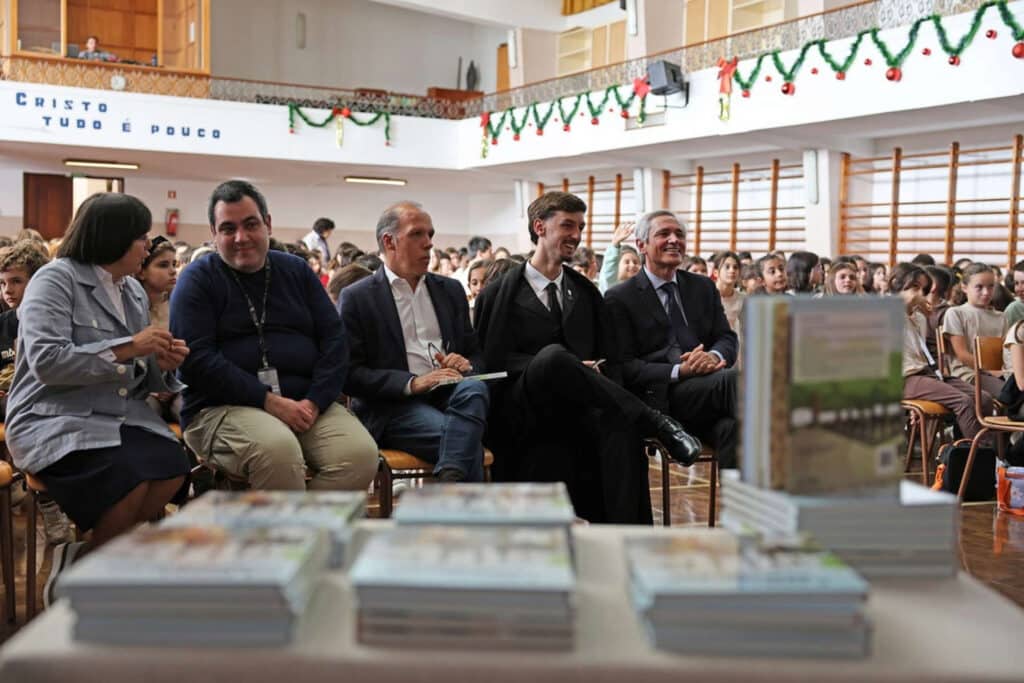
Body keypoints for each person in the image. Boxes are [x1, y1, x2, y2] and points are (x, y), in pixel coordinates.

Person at [6, 193, 191, 602]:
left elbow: (139, 378)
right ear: (113, 238)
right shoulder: (54, 280)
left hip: (116, 412)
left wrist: (164, 360)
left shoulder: (132, 292)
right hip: (52, 415)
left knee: (172, 467)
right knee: (126, 480)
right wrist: (129, 347)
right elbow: (46, 362)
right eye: (140, 238)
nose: (147, 246)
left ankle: (86, 560)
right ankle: (90, 581)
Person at [474, 192, 700, 524]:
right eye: (567, 225)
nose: (577, 235)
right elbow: (489, 363)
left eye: (581, 226)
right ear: (539, 226)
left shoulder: (585, 292)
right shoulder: (499, 294)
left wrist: (590, 371)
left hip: (579, 407)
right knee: (553, 358)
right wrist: (558, 365)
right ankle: (655, 422)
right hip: (523, 406)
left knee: (621, 429)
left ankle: (626, 541)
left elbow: (610, 358)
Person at [170, 180, 378, 491]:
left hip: (307, 403)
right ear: (214, 234)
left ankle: (298, 533)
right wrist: (267, 401)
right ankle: (287, 535)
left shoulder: (296, 271)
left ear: (268, 223)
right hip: (220, 406)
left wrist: (314, 401)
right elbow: (196, 361)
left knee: (359, 457)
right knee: (278, 453)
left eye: (251, 224)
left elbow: (335, 341)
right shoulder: (197, 280)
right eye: (228, 229)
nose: (241, 238)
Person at [339, 202, 490, 483]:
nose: (429, 244)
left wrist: (465, 363)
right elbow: (350, 375)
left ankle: (449, 486)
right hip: (394, 405)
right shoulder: (358, 297)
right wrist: (412, 383)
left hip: (450, 394)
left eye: (430, 234)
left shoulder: (450, 290)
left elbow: (476, 354)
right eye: (417, 234)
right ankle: (460, 499)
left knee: (475, 387)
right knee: (464, 441)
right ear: (389, 241)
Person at [605, 210, 739, 469]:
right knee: (735, 382)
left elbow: (726, 338)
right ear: (641, 245)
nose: (674, 240)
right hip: (661, 398)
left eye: (679, 234)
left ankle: (743, 507)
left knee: (734, 428)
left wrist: (713, 356)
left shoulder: (702, 287)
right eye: (663, 234)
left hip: (709, 392)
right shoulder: (620, 298)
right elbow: (623, 366)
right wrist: (680, 370)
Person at [0, 241, 76, 545]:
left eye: (17, 281)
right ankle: (48, 500)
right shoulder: (3, 324)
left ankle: (55, 494)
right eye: (3, 283)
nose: (8, 290)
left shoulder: (56, 319)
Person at [894, 263, 991, 445]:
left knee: (983, 399)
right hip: (904, 377)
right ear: (898, 285)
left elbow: (920, 353)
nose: (921, 293)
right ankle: (984, 458)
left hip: (927, 374)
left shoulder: (919, 317)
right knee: (963, 402)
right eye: (915, 287)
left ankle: (962, 453)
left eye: (924, 289)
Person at [943, 262, 1009, 397]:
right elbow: (962, 354)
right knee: (1010, 393)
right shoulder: (956, 313)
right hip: (969, 374)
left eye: (991, 287)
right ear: (964, 287)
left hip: (998, 373)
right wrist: (992, 371)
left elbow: (1006, 352)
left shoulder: (1001, 317)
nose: (986, 292)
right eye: (979, 287)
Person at [135, 236, 182, 422]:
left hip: (177, 386)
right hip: (142, 388)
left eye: (174, 264)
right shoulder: (130, 306)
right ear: (141, 272)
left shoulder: (179, 305)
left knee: (188, 409)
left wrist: (171, 386)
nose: (172, 271)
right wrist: (152, 386)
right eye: (163, 265)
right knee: (145, 411)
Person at [597, 222, 637, 292]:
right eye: (627, 262)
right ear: (616, 266)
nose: (632, 265)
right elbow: (609, 270)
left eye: (636, 262)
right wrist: (615, 244)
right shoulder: (610, 285)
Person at [711, 251, 744, 333]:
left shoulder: (743, 299)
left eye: (735, 267)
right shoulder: (707, 295)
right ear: (715, 272)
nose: (732, 270)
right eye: (727, 267)